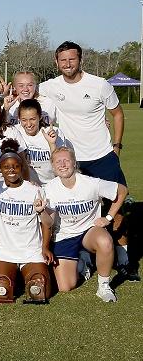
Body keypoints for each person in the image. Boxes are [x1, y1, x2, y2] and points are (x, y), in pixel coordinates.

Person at [38, 41, 135, 279]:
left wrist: (117, 146)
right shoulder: (51, 86)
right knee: (76, 207)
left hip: (102, 155)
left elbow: (118, 113)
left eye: (72, 59)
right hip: (73, 161)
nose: (68, 64)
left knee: (115, 205)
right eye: (63, 60)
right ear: (56, 62)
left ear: (80, 59)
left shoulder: (99, 85)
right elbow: (29, 90)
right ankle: (83, 254)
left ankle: (123, 255)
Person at [0, 139, 53, 303]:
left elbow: (46, 223)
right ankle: (13, 276)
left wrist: (45, 247)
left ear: (21, 167)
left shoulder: (35, 190)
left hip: (31, 250)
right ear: (0, 169)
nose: (11, 170)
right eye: (7, 167)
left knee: (39, 288)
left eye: (15, 166)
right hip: (5, 251)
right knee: (1, 288)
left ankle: (27, 275)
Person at [43, 147, 127, 301]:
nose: (62, 164)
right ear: (53, 167)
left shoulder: (91, 183)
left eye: (66, 160)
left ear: (74, 163)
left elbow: (122, 190)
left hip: (89, 232)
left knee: (105, 241)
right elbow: (48, 221)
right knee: (65, 287)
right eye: (58, 162)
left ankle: (104, 286)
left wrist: (108, 217)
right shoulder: (48, 189)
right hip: (64, 235)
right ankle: (84, 263)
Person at [15, 99, 65, 185]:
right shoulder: (15, 132)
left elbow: (61, 163)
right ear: (19, 119)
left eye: (33, 119)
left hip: (51, 184)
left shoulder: (54, 132)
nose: (29, 124)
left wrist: (52, 144)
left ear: (40, 117)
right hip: (27, 185)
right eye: (24, 120)